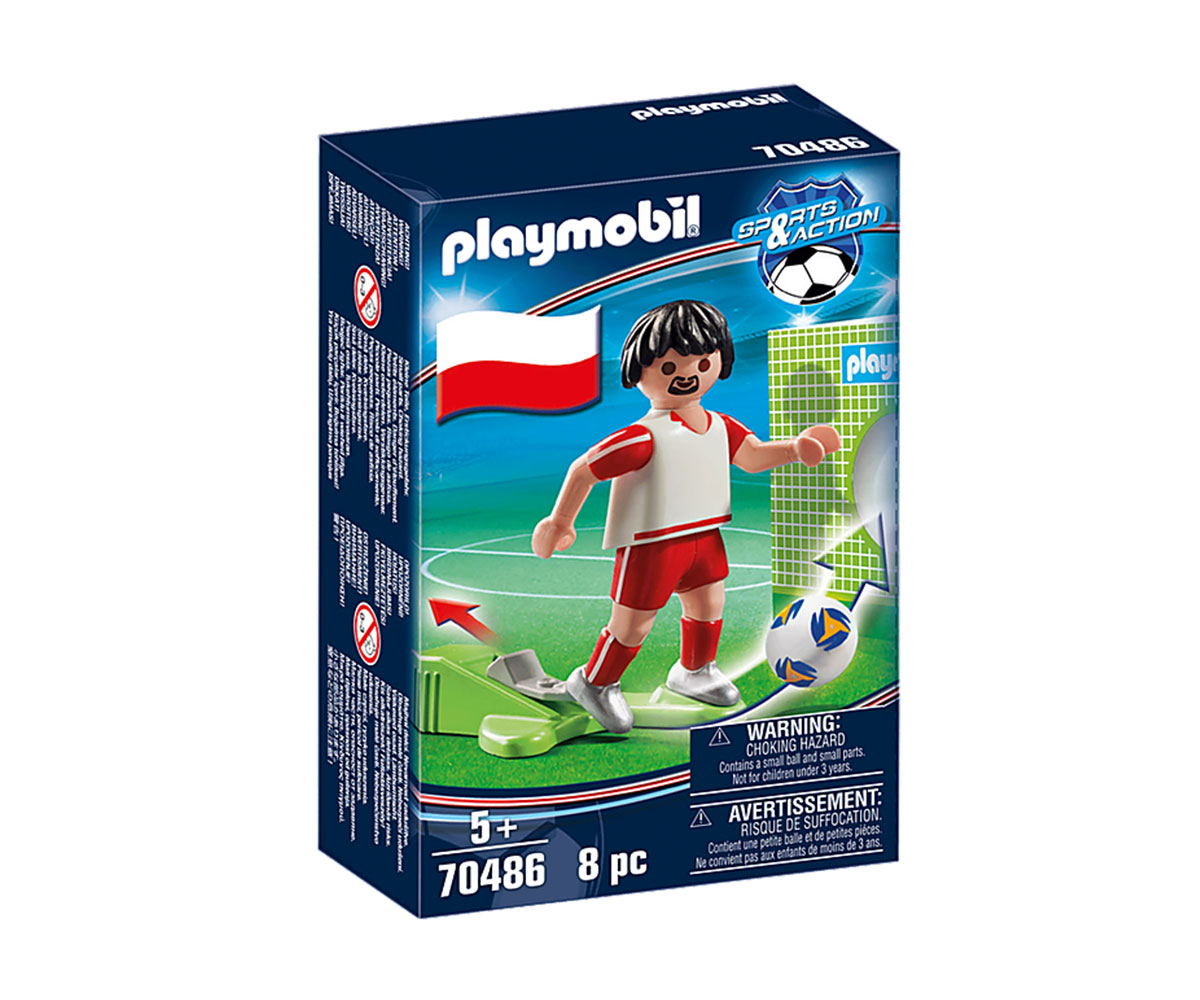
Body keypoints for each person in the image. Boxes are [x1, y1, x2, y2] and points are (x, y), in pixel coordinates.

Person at [532, 300, 840, 733]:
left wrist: (793, 449)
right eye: (669, 366)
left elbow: (752, 456)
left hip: (704, 534)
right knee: (632, 624)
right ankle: (595, 681)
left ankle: (694, 671)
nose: (687, 374)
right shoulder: (642, 437)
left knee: (708, 605)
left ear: (719, 360)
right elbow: (584, 469)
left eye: (701, 361)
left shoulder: (719, 425)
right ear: (638, 372)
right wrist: (559, 521)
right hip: (650, 545)